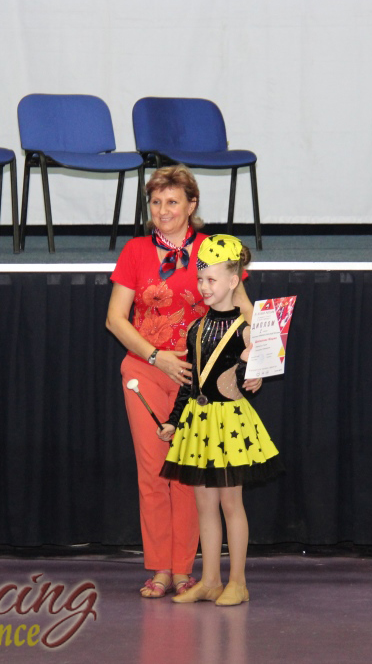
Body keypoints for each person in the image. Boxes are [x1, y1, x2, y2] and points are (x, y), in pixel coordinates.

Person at [107, 166, 255, 598]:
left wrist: (257, 361)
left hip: (200, 380)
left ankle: (185, 569)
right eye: (155, 202)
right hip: (145, 372)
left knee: (189, 477)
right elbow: (115, 319)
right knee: (153, 473)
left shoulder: (214, 248)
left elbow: (245, 310)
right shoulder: (135, 250)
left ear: (192, 205)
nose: (162, 210)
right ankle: (160, 569)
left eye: (172, 201)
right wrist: (156, 357)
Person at [158, 234, 282, 607]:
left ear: (233, 280)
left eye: (211, 279)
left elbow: (248, 382)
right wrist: (174, 421)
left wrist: (250, 371)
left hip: (229, 425)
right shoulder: (196, 328)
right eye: (200, 279)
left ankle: (238, 582)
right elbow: (191, 383)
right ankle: (210, 580)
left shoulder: (248, 329)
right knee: (204, 507)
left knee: (231, 505)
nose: (204, 287)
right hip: (199, 425)